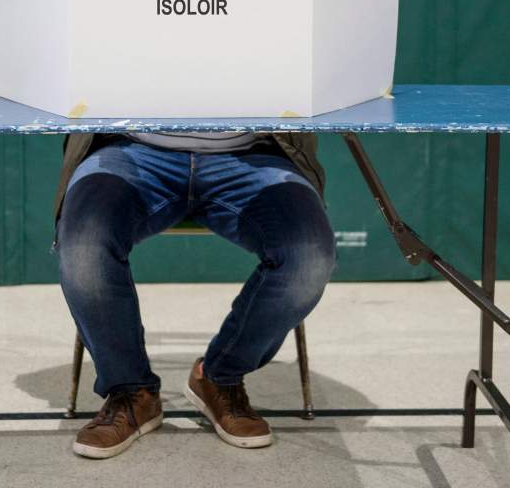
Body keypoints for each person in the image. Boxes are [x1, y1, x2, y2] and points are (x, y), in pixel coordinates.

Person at [51, 129, 337, 458]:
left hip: (252, 154)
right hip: (132, 150)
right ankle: (131, 392)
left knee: (309, 258)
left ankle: (219, 377)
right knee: (84, 249)